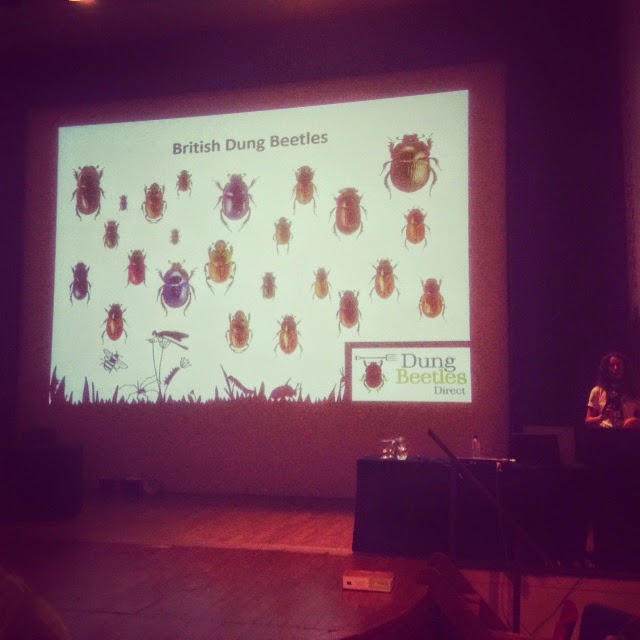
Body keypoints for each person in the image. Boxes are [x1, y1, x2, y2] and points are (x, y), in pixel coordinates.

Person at [585, 351, 640, 428]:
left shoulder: (633, 391)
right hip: (605, 433)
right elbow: (588, 421)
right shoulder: (597, 391)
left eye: (618, 364)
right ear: (606, 369)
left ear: (624, 367)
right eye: (611, 365)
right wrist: (600, 418)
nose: (615, 368)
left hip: (627, 433)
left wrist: (633, 421)